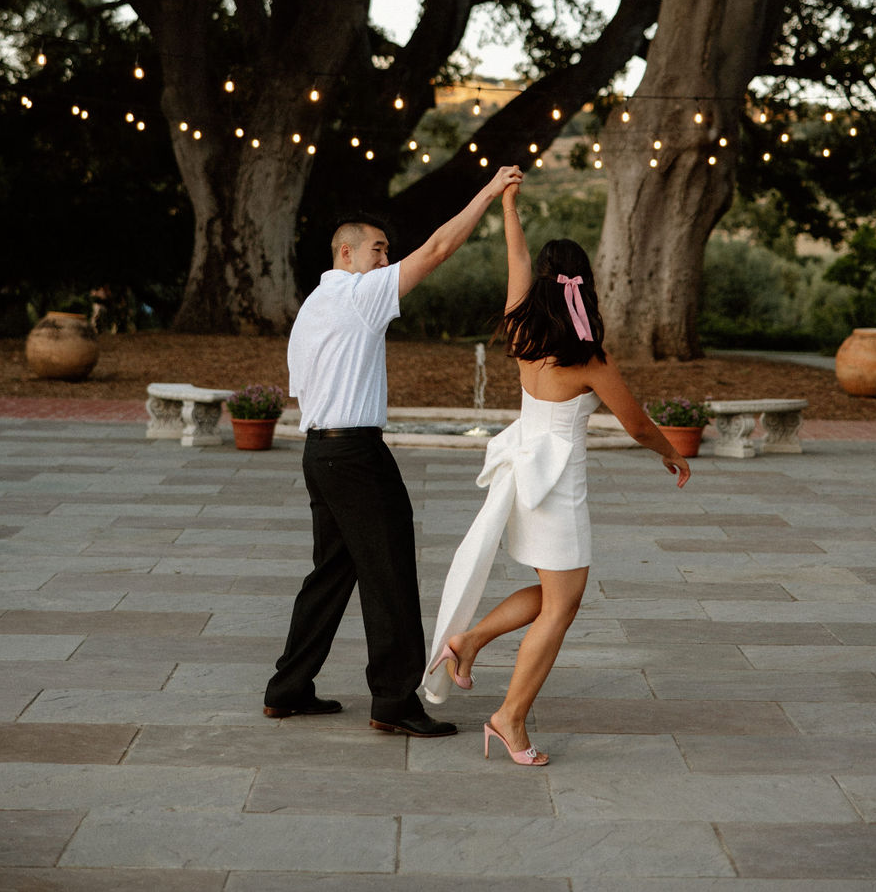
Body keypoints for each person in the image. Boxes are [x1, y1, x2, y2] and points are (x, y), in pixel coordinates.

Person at [421, 179, 691, 765]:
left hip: (525, 473)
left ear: (543, 284)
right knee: (563, 606)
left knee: (553, 596)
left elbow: (514, 258)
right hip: (559, 486)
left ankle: (468, 641)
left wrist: (510, 208)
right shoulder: (589, 357)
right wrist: (669, 450)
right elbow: (637, 424)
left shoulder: (521, 330)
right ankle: (508, 718)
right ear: (583, 286)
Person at [263, 164, 524, 738]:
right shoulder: (358, 294)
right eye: (378, 250)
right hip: (355, 455)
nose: (386, 260)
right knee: (391, 574)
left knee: (331, 573)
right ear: (347, 253)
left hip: (321, 453)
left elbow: (305, 391)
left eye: (386, 252)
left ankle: (288, 689)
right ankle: (394, 701)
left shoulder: (312, 308)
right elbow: (437, 249)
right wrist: (487, 192)